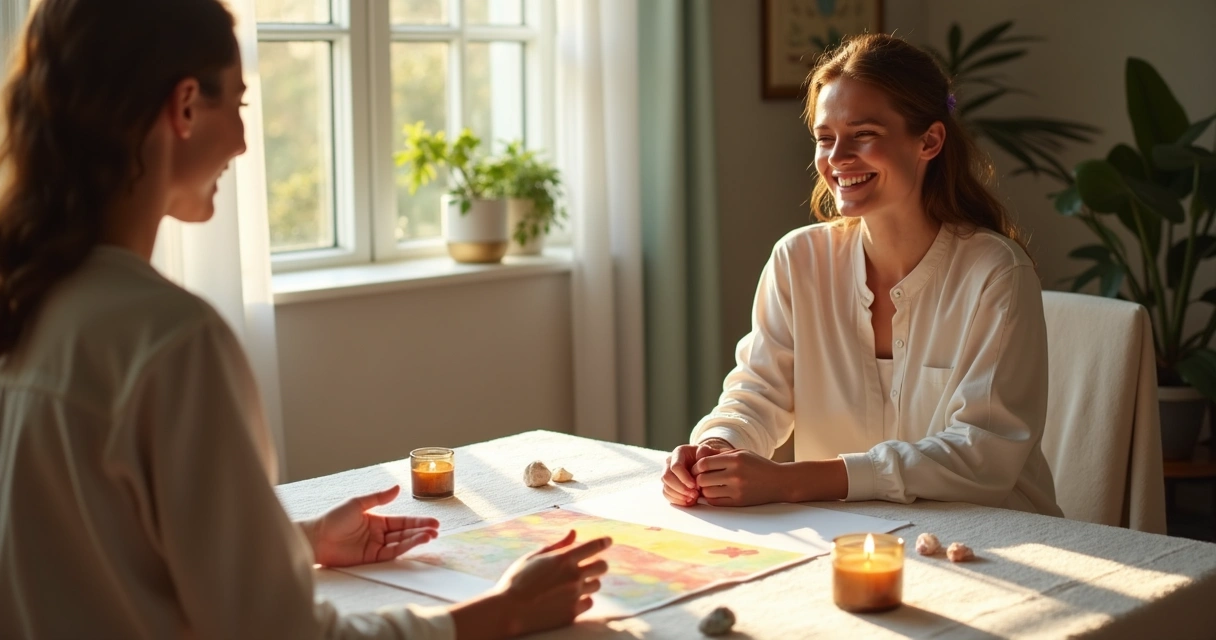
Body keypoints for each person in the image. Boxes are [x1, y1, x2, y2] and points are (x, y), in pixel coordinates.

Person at [0, 1, 610, 638]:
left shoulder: (28, 305)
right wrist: (500, 612)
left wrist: (295, 539)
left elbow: (88, 548)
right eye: (236, 106)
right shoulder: (170, 341)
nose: (241, 142)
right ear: (183, 106)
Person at [661, 33, 1062, 518]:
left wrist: (791, 482)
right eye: (825, 138)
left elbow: (982, 454)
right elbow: (757, 392)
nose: (837, 158)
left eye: (864, 134)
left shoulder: (996, 272)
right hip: (850, 536)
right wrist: (716, 447)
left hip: (1001, 539)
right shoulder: (798, 260)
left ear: (929, 141)